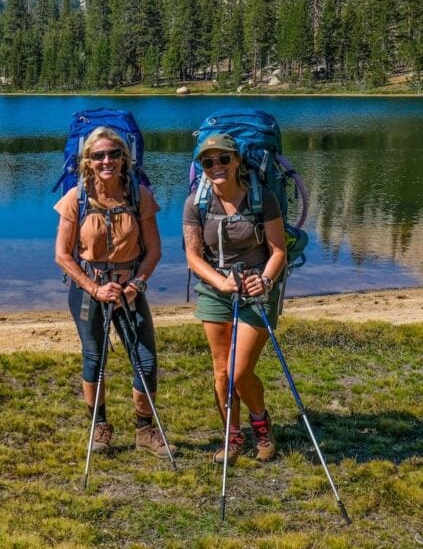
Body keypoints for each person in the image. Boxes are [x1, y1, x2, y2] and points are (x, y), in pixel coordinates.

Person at [54, 126, 173, 458]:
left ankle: (145, 431)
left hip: (129, 290)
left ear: (125, 158)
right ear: (87, 161)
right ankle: (100, 427)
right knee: (95, 358)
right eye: (99, 155)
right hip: (89, 291)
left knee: (145, 360)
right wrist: (94, 288)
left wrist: (136, 285)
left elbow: (154, 251)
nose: (107, 160)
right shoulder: (75, 199)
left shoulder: (139, 196)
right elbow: (62, 255)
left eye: (114, 154)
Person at [182, 133, 287, 463]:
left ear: (237, 160)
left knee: (240, 372)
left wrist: (266, 281)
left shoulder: (261, 197)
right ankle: (233, 437)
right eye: (208, 162)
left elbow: (278, 251)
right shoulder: (196, 202)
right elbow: (193, 256)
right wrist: (220, 282)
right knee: (222, 373)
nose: (217, 166)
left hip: (257, 288)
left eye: (223, 159)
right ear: (202, 167)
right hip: (217, 290)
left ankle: (261, 425)